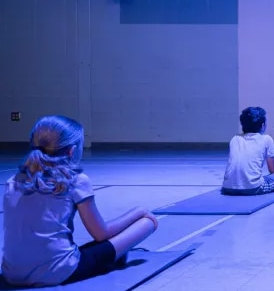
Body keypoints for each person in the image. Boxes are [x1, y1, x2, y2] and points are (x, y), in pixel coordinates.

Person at [2, 116, 158, 287]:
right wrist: (138, 211)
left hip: (12, 274)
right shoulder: (75, 180)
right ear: (72, 151)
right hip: (57, 273)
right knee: (146, 223)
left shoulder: (13, 181)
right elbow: (101, 234)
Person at [222, 107, 274, 195]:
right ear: (263, 125)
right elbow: (273, 170)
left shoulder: (235, 139)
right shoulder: (266, 139)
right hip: (253, 188)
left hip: (227, 187)